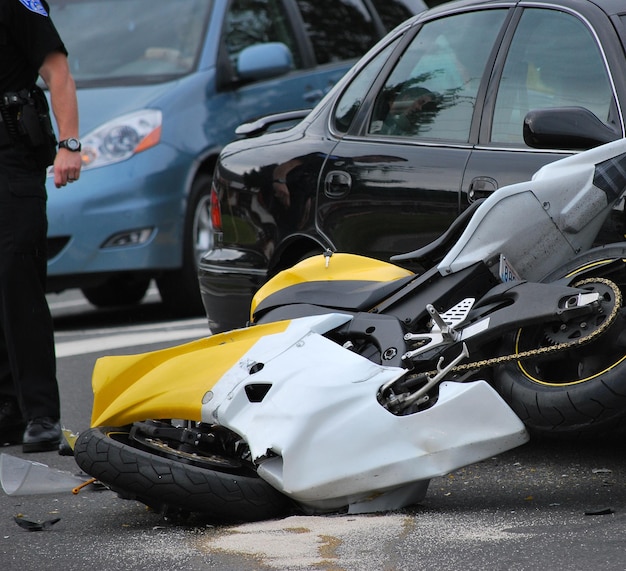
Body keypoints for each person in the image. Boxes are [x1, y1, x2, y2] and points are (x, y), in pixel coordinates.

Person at [0, 0, 81, 452]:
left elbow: (56, 71)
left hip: (10, 158)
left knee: (17, 275)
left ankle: (40, 413)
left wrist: (69, 144)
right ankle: (8, 408)